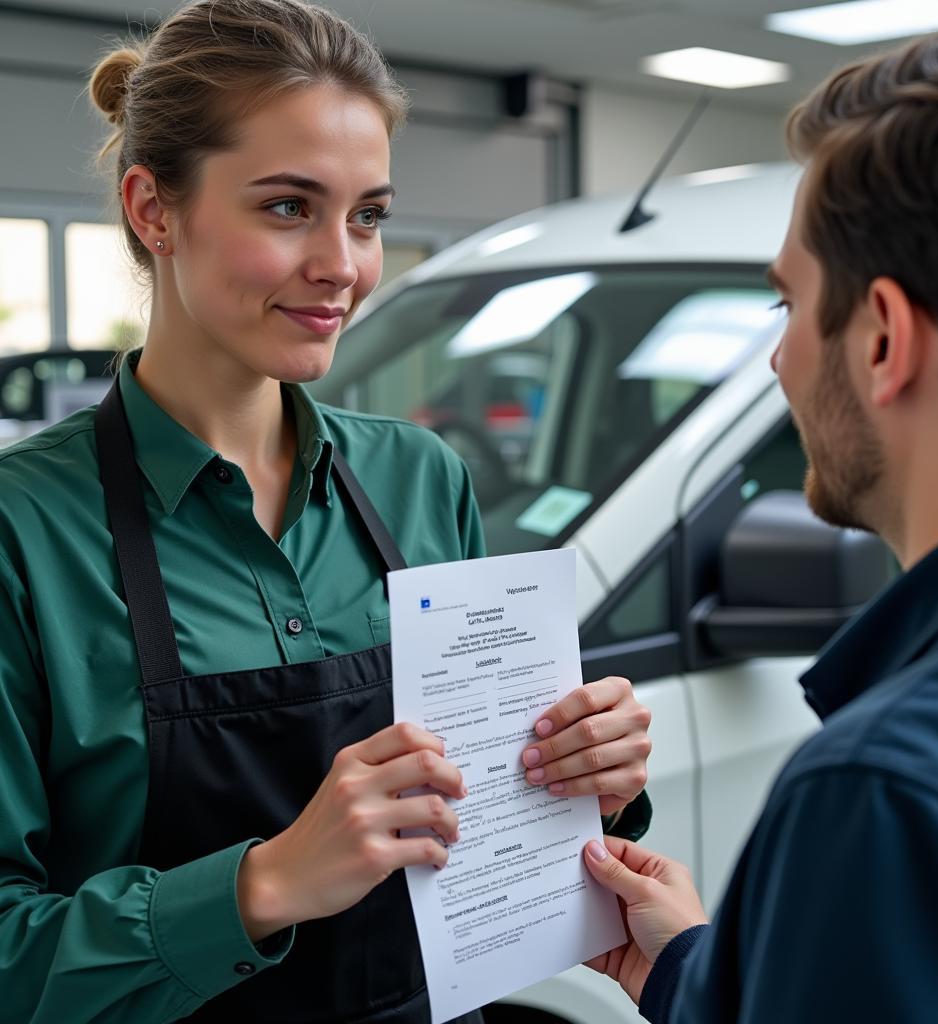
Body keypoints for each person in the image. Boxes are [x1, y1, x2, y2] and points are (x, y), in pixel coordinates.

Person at [0, 2, 653, 1021]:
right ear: (151, 209)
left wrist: (578, 782)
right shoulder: (22, 530)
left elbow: (476, 846)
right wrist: (260, 885)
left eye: (368, 215)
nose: (342, 265)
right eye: (287, 207)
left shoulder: (420, 478)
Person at [580, 22, 938, 1024]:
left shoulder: (886, 794)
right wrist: (703, 971)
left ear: (880, 339)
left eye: (786, 303)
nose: (779, 359)